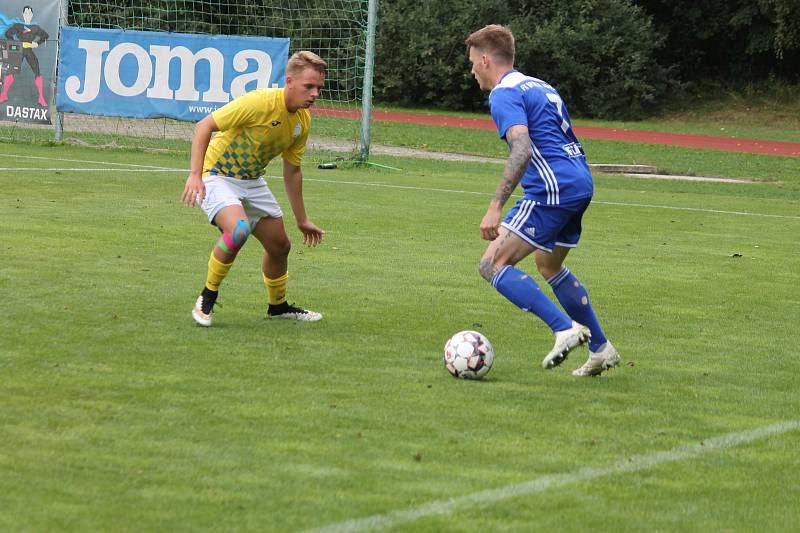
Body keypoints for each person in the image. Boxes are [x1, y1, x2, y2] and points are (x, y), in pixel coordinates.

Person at [465, 25, 620, 376]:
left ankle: (565, 329)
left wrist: (495, 205)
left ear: (486, 59)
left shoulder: (503, 93)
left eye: (473, 62)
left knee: (492, 265)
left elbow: (523, 148)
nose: (472, 70)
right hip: (579, 182)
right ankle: (600, 347)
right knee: (549, 266)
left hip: (553, 191)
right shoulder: (538, 84)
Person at [181, 51, 327, 326]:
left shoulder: (302, 122)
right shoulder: (260, 102)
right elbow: (205, 126)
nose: (315, 93)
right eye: (309, 86)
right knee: (238, 229)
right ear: (290, 82)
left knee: (280, 246)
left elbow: (292, 170)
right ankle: (207, 297)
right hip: (216, 175)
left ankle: (278, 307)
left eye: (319, 87)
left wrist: (302, 219)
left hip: (251, 181)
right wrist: (194, 175)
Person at [1, 5, 49, 107]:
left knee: (37, 72)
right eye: (26, 13)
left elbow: (45, 36)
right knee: (11, 72)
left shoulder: (36, 28)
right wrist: (17, 44)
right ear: (23, 14)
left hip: (29, 51)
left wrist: (37, 43)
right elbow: (8, 34)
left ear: (32, 15)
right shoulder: (18, 26)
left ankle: (41, 97)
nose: (27, 15)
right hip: (19, 51)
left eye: (29, 13)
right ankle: (4, 94)